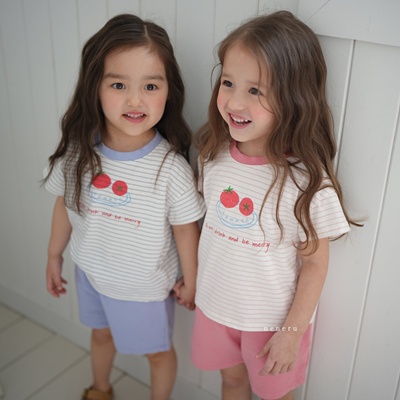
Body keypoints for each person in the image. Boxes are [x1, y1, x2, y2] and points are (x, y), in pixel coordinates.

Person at [189, 11, 360, 400]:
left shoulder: (305, 183)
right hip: (215, 306)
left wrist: (291, 334)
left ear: (293, 97)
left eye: (255, 90)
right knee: (231, 382)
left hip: (271, 324)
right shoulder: (212, 155)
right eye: (228, 83)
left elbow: (314, 265)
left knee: (274, 395)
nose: (234, 101)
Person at [43, 14, 205, 400]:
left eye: (150, 86)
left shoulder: (170, 168)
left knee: (157, 353)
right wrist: (53, 255)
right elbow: (65, 206)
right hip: (90, 274)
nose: (135, 100)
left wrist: (193, 279)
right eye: (118, 85)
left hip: (142, 288)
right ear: (95, 88)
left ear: (168, 91)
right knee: (100, 335)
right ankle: (100, 389)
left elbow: (186, 229)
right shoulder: (78, 152)